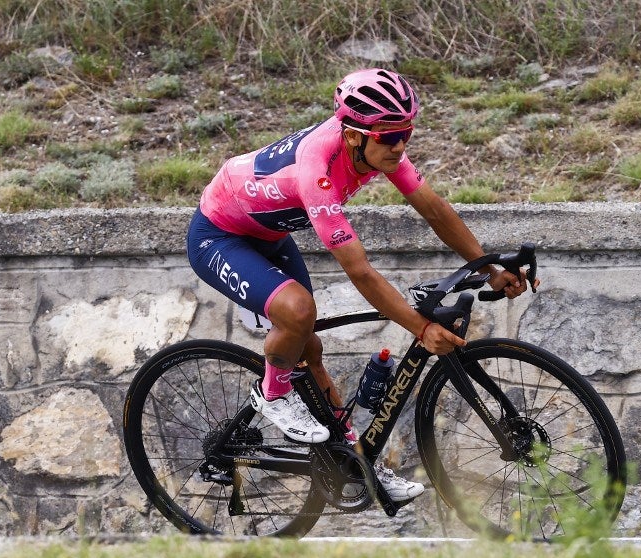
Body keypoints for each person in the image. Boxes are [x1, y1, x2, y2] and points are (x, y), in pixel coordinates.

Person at [186, 68, 531, 502]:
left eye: (406, 132)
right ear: (353, 136)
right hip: (219, 237)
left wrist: (489, 269)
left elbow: (436, 211)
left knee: (309, 350)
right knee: (297, 312)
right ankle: (272, 393)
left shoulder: (376, 144)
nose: (400, 145)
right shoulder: (317, 169)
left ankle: (357, 463)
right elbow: (360, 271)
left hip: (268, 236)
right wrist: (421, 329)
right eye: (390, 137)